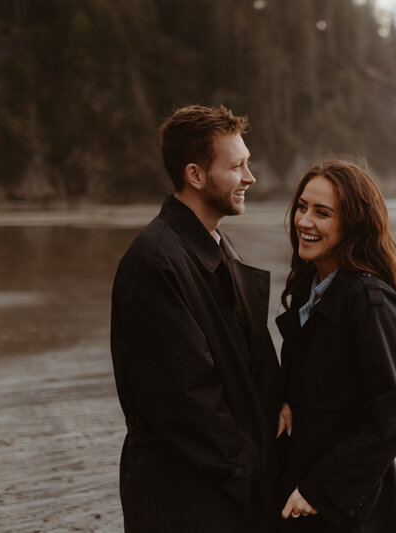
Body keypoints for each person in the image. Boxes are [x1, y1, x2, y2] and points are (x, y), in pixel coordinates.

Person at [110, 105, 281, 532]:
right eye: (237, 166)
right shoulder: (155, 263)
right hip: (188, 501)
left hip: (219, 492)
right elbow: (185, 401)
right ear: (196, 175)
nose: (250, 178)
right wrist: (248, 469)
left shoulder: (216, 244)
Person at [275, 160, 396, 532]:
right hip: (301, 488)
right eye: (302, 207)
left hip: (347, 509)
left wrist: (320, 491)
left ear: (353, 224)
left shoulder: (370, 300)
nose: (304, 221)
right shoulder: (310, 286)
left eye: (322, 213)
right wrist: (281, 398)